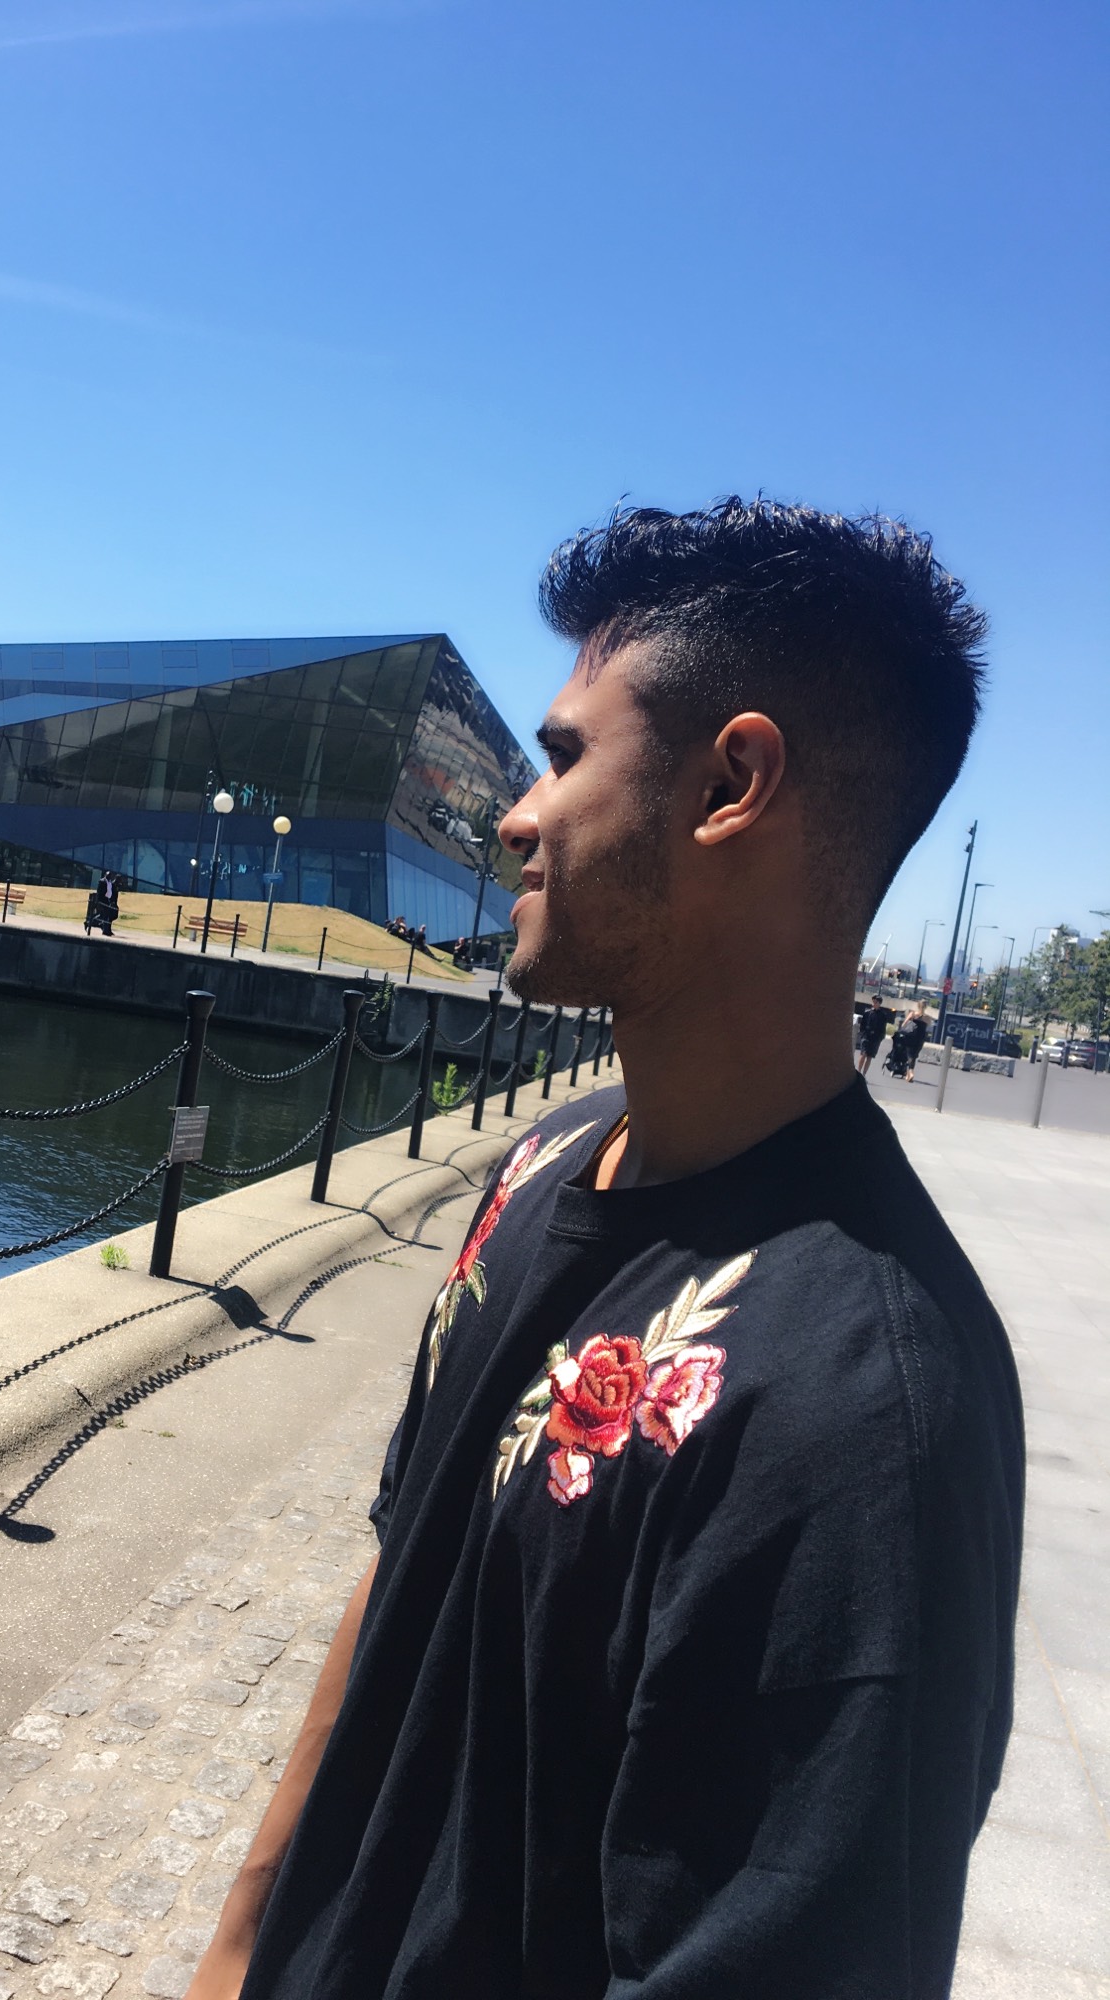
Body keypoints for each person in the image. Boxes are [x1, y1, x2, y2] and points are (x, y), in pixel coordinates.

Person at [191, 498, 1023, 2000]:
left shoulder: (865, 1414)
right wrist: (241, 1942)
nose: (518, 814)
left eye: (568, 755)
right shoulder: (542, 1163)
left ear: (731, 785)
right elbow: (402, 1568)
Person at [891, 1002, 932, 1081]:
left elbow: (904, 1024)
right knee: (914, 1056)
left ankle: (911, 1072)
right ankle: (908, 1074)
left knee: (910, 1055)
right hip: (920, 1038)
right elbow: (929, 1027)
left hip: (911, 1037)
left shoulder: (913, 1014)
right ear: (926, 1007)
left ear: (918, 1006)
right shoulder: (927, 1018)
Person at [854, 990, 892, 1074]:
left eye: (876, 1002)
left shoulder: (883, 1015)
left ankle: (864, 1074)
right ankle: (858, 1072)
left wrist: (880, 1037)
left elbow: (883, 1027)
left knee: (869, 1056)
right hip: (866, 1036)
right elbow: (862, 1025)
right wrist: (863, 1033)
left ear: (879, 1003)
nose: (874, 1004)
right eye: (873, 1002)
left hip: (875, 1038)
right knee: (863, 1054)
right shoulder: (867, 1013)